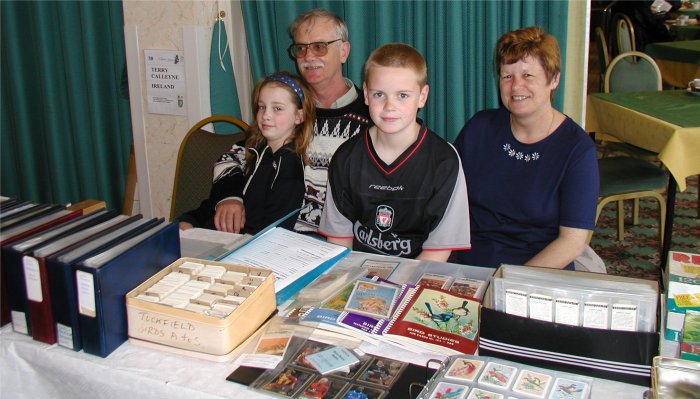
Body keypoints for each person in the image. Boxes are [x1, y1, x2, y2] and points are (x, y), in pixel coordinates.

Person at [209, 8, 370, 234]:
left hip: (341, 242)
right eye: (301, 48)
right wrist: (229, 197)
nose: (308, 57)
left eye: (319, 47)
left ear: (343, 51)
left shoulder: (372, 117)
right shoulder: (283, 113)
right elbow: (230, 159)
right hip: (275, 237)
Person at [450, 26, 599, 270]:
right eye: (507, 76)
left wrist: (509, 283)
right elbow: (446, 199)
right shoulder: (480, 128)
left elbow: (572, 242)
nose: (516, 86)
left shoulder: (576, 149)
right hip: (468, 265)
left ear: (554, 79)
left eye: (528, 76)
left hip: (540, 272)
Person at [318, 43, 470, 261]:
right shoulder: (346, 157)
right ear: (367, 95)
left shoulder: (444, 161)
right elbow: (339, 242)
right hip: (360, 273)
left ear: (422, 96)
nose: (389, 106)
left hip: (422, 273)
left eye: (403, 95)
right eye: (379, 94)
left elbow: (437, 251)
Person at [177, 71, 314, 234]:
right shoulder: (254, 152)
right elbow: (216, 205)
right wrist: (191, 220)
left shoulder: (288, 167)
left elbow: (271, 233)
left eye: (277, 108)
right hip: (217, 237)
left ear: (299, 116)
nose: (266, 115)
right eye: (262, 107)